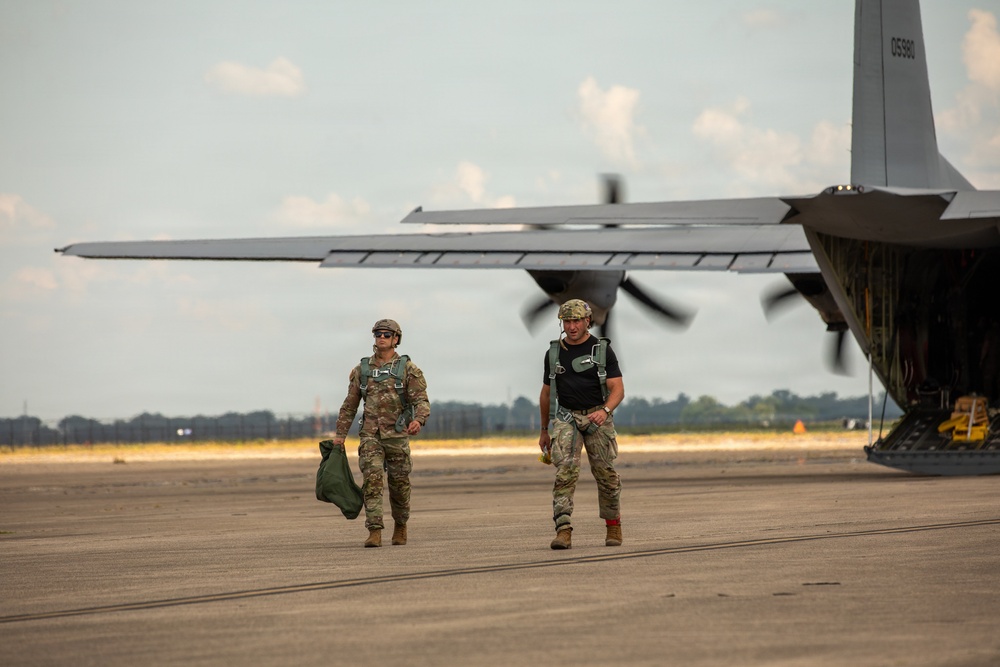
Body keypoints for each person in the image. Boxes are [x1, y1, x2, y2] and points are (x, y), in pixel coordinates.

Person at [334, 319, 430, 548]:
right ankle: (374, 530)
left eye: (387, 334)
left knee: (399, 484)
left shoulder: (408, 369)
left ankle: (400, 525)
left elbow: (421, 400)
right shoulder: (362, 370)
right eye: (378, 333)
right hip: (370, 436)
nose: (382, 337)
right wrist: (340, 435)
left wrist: (418, 420)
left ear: (396, 339)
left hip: (397, 435)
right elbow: (350, 405)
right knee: (372, 480)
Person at [538, 299, 625, 550]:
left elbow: (617, 389)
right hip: (566, 418)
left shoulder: (602, 350)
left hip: (598, 417)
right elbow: (545, 394)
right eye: (567, 321)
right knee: (565, 473)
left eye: (576, 320)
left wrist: (606, 410)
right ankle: (563, 530)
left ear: (588, 321)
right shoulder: (553, 353)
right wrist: (544, 430)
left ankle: (613, 526)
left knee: (605, 473)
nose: (572, 326)